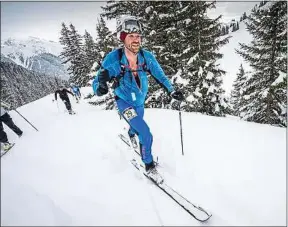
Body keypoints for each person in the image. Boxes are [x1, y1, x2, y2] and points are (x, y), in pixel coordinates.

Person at [93, 16, 184, 181]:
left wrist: (172, 91)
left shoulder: (146, 57)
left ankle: (131, 133)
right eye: (131, 36)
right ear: (123, 37)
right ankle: (149, 165)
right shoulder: (113, 59)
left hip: (140, 102)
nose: (136, 40)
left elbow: (161, 77)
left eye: (138, 36)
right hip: (124, 102)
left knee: (136, 127)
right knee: (146, 133)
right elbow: (97, 82)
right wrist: (101, 85)